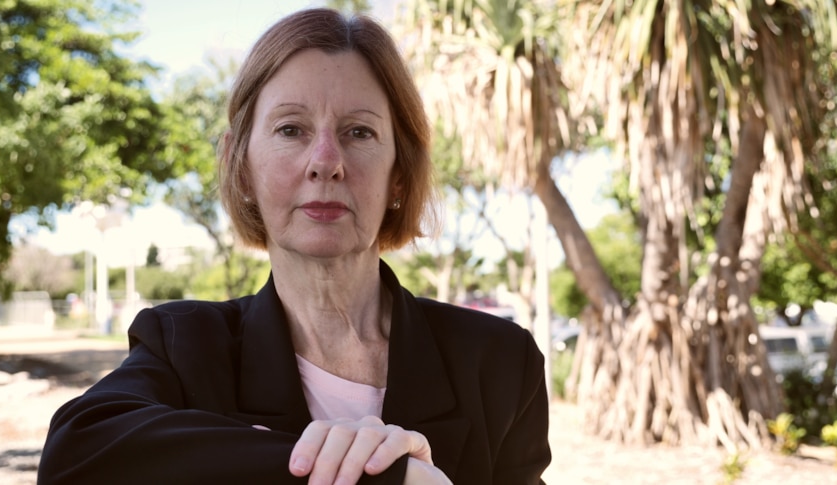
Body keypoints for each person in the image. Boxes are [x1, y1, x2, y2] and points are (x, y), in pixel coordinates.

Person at [38, 8, 551, 484]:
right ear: (242, 167)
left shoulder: (500, 362)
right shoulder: (183, 346)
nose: (325, 161)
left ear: (400, 175)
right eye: (290, 129)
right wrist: (391, 478)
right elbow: (74, 454)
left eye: (358, 132)